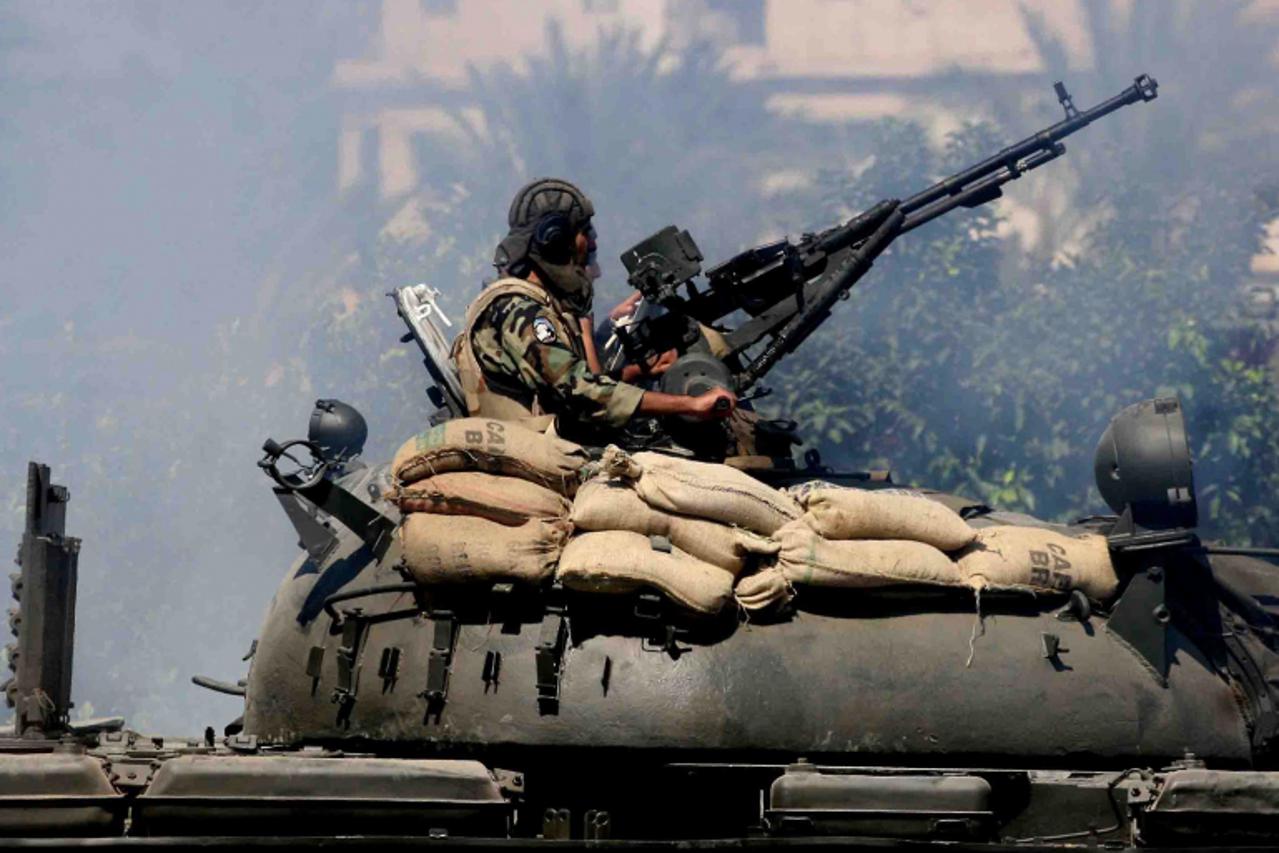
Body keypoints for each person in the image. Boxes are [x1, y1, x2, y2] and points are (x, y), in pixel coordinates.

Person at [451, 178, 735, 440]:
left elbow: (570, 385)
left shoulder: (527, 306)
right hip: (544, 447)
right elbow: (580, 394)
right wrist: (690, 404)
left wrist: (636, 372)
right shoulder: (522, 312)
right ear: (556, 241)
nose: (592, 243)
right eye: (584, 232)